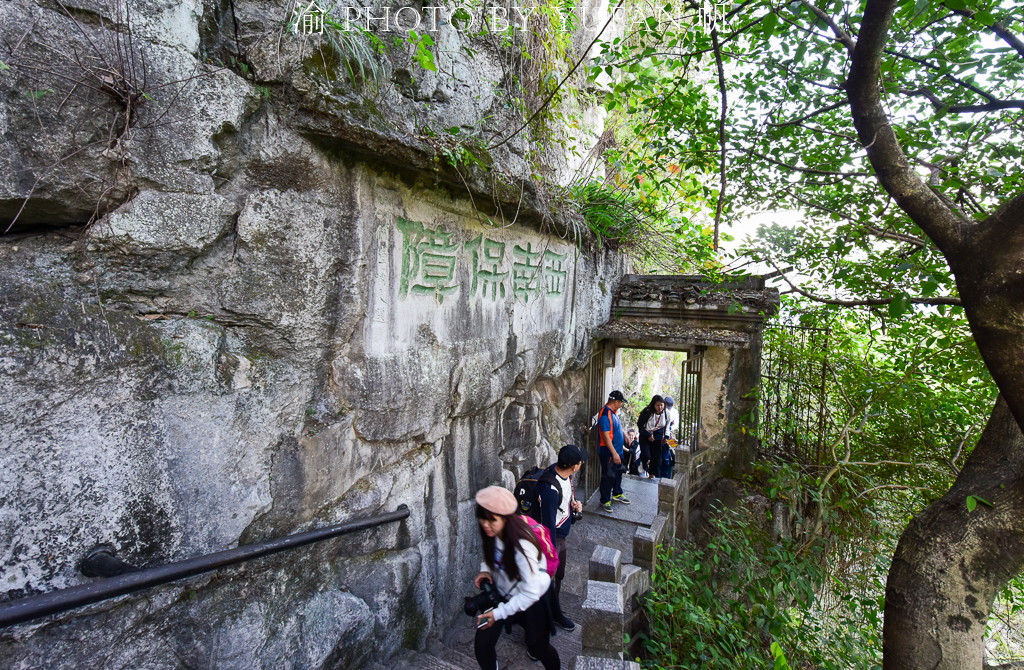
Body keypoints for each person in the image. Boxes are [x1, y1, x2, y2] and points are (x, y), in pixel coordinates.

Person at [473, 486, 560, 670]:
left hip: (533, 600)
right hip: (504, 592)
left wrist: (498, 614)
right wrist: (485, 570)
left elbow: (530, 594)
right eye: (482, 519)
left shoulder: (523, 547)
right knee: (482, 644)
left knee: (539, 648)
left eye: (492, 520)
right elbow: (492, 555)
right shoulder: (493, 532)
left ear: (506, 518)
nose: (485, 525)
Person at [536, 444, 587, 631]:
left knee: (559, 576)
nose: (581, 464)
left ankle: (554, 612)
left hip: (560, 537)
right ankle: (541, 624)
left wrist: (574, 509)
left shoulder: (564, 475)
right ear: (574, 466)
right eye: (580, 462)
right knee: (547, 581)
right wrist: (550, 553)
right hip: (552, 539)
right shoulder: (549, 490)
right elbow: (548, 524)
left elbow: (563, 504)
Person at [598, 390, 631, 512]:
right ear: (616, 402)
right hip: (609, 453)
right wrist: (614, 453)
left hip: (617, 451)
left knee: (618, 473)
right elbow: (606, 437)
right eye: (621, 402)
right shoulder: (605, 415)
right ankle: (605, 500)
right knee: (608, 476)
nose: (621, 404)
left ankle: (617, 493)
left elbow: (615, 428)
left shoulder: (613, 412)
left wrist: (624, 435)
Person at [637, 395, 668, 479]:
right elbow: (640, 426)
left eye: (661, 405)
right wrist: (648, 435)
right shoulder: (647, 413)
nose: (659, 407)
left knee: (657, 459)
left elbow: (667, 426)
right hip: (645, 437)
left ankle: (655, 477)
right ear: (654, 405)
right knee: (646, 455)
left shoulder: (666, 413)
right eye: (657, 405)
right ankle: (644, 464)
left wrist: (666, 437)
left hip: (657, 439)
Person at [663, 396, 679, 473]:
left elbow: (676, 425)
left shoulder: (675, 412)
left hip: (669, 434)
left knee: (671, 451)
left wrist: (669, 428)